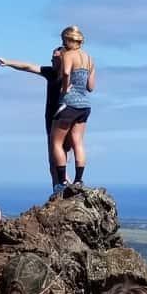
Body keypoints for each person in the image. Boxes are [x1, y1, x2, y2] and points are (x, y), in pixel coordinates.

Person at [0, 46, 73, 194]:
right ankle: (58, 192)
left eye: (55, 58)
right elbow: (28, 67)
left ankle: (67, 190)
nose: (51, 60)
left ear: (63, 59)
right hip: (50, 120)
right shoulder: (51, 72)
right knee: (53, 162)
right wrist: (8, 62)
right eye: (52, 58)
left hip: (63, 119)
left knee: (59, 161)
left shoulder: (68, 75)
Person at [49, 26, 94, 188]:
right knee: (78, 143)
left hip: (68, 104)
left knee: (56, 143)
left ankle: (61, 181)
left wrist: (65, 87)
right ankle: (79, 179)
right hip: (85, 105)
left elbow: (66, 72)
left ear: (68, 40)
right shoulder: (89, 59)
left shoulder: (68, 55)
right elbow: (91, 86)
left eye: (64, 40)